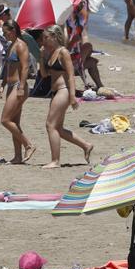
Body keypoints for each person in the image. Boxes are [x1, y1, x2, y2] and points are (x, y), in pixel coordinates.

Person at [39, 25, 93, 169]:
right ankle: (86, 145)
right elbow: (44, 75)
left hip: (64, 90)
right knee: (59, 128)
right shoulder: (50, 53)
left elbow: (70, 75)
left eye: (46, 37)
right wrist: (41, 57)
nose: (43, 40)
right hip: (55, 91)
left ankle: (55, 161)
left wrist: (73, 96)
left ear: (55, 37)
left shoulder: (63, 52)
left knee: (50, 125)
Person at [0, 20, 36, 164]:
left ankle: (29, 145)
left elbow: (25, 67)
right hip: (11, 85)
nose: (4, 34)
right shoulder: (10, 45)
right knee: (14, 122)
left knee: (5, 120)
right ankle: (18, 157)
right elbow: (8, 67)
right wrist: (3, 84)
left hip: (19, 86)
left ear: (12, 30)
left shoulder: (21, 45)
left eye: (5, 31)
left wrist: (21, 87)